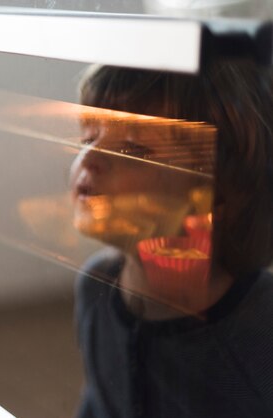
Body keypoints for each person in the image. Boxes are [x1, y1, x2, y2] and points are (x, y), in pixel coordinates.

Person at [72, 60, 273, 418]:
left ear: (215, 191)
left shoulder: (261, 328)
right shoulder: (95, 288)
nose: (90, 158)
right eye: (88, 137)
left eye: (132, 149)